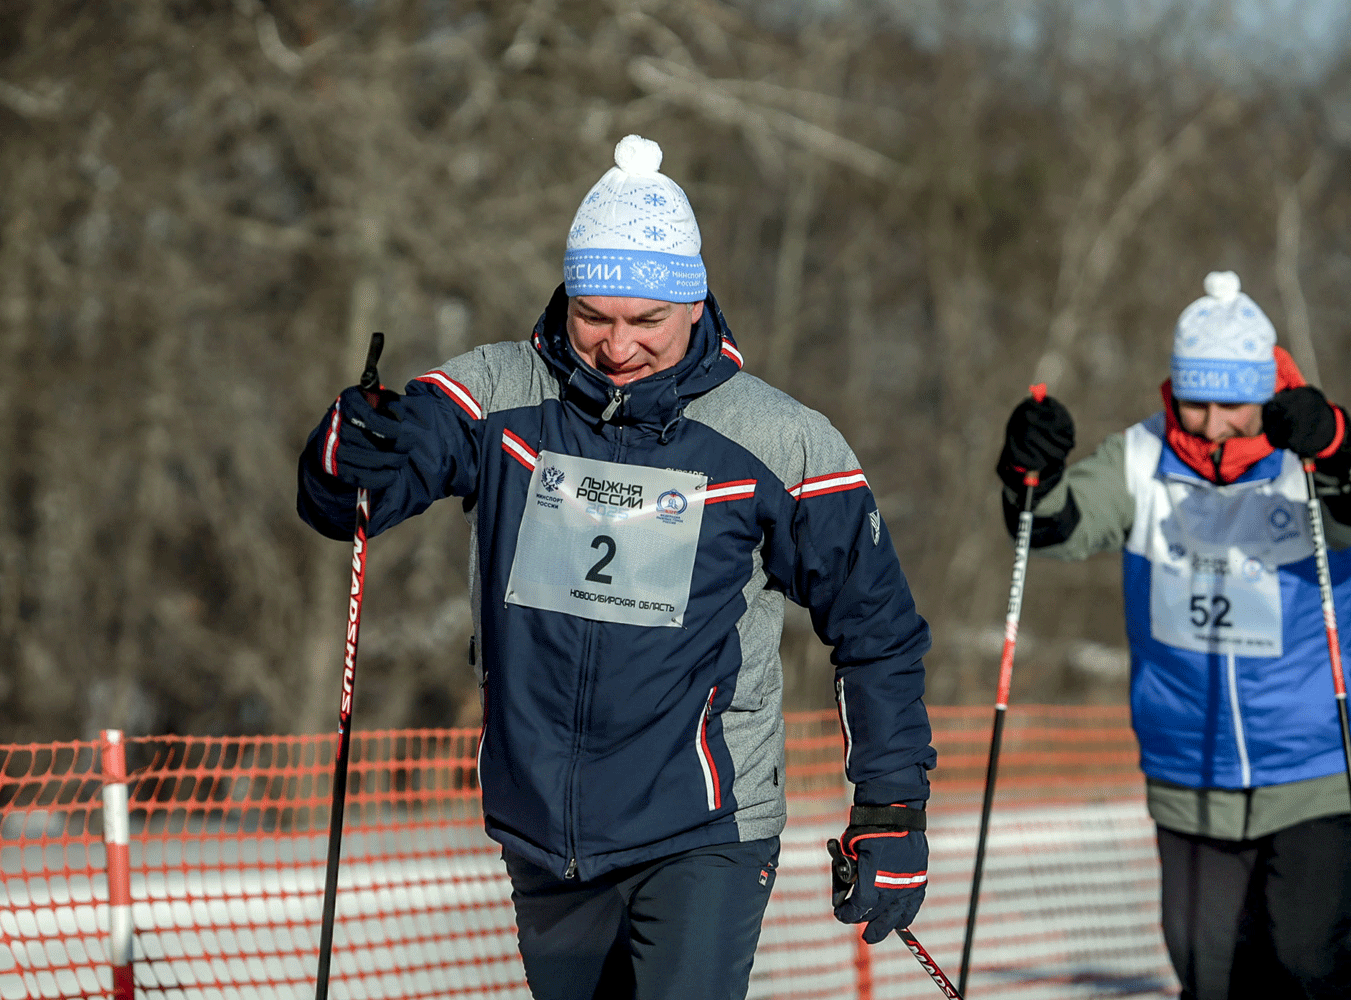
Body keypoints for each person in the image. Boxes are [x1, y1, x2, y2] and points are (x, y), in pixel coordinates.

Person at [298, 135, 936, 999]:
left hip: (704, 825)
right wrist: (349, 452)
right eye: (593, 317)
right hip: (546, 830)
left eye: (647, 323)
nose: (618, 347)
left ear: (696, 301)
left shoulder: (778, 440)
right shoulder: (498, 392)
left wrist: (890, 809)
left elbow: (876, 627)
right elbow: (356, 500)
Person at [996, 270, 1351, 999]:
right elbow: (1054, 528)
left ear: (1265, 391)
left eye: (1233, 404)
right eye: (1196, 400)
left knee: (1308, 961)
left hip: (1314, 770)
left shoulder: (1306, 453)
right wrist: (1027, 470)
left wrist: (1336, 445)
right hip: (1186, 770)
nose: (1214, 423)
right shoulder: (1140, 459)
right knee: (1208, 973)